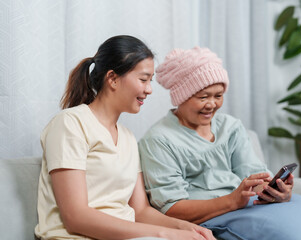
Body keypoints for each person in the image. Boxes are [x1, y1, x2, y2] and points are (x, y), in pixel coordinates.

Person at [35, 36, 215, 240]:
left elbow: (140, 211)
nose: (149, 89)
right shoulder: (70, 123)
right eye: (143, 79)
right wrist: (166, 234)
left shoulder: (128, 138)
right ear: (112, 78)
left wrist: (187, 228)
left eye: (150, 80)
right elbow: (75, 216)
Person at [138, 47, 293, 231]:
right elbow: (171, 209)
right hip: (212, 219)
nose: (212, 104)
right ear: (181, 97)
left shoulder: (230, 127)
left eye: (218, 96)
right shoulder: (158, 140)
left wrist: (276, 191)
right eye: (203, 97)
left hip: (248, 208)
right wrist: (231, 201)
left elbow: (254, 178)